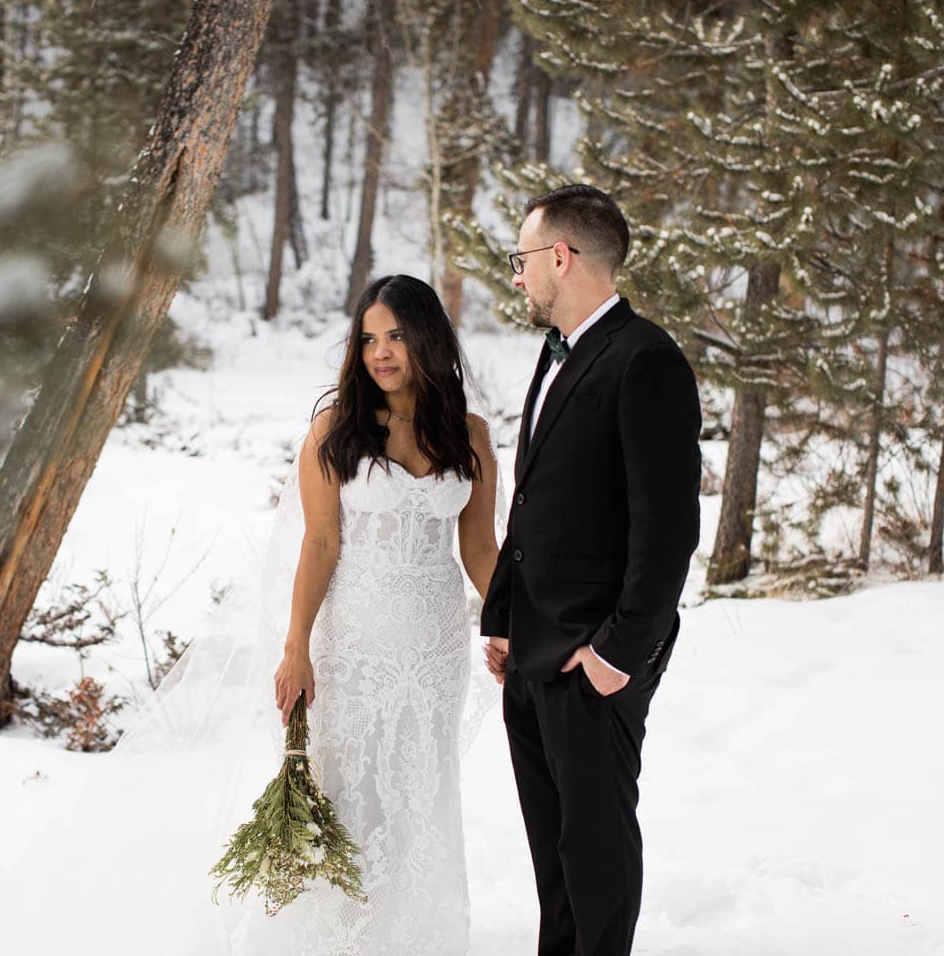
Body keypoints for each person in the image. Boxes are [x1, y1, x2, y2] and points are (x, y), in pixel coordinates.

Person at [248, 273, 501, 956]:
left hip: (434, 650)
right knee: (351, 794)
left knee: (423, 794)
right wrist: (295, 645)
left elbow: (480, 548)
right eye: (367, 338)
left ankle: (417, 937)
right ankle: (341, 939)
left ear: (427, 338)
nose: (380, 352)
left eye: (394, 336)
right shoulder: (336, 429)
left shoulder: (470, 433)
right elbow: (321, 541)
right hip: (354, 644)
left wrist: (511, 620)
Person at [481, 185, 702, 956]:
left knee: (596, 850)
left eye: (523, 259)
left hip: (593, 659)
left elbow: (669, 531)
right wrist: (503, 619)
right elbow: (535, 500)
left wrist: (616, 655)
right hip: (535, 650)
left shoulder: (647, 361)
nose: (518, 277)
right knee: (555, 857)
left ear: (561, 257)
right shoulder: (557, 354)